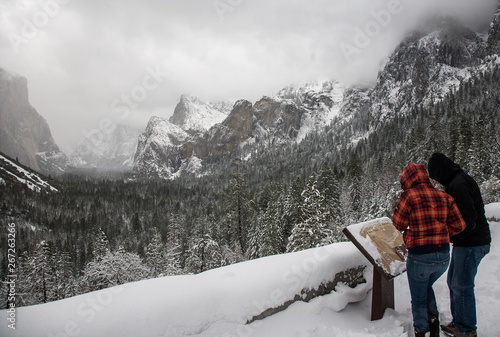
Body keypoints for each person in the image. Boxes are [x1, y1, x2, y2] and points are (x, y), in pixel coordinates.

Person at [393, 163, 465, 337]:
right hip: (442, 257)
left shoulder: (408, 196)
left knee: (418, 298)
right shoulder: (444, 196)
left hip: (420, 257)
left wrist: (412, 233)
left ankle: (421, 330)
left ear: (409, 179)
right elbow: (459, 225)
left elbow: (398, 224)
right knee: (425, 288)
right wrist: (441, 234)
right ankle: (434, 324)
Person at [428, 153, 491, 337]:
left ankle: (466, 329)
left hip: (471, 244)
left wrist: (445, 234)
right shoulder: (458, 181)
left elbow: (467, 221)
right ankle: (460, 323)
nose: (437, 181)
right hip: (468, 243)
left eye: (436, 176)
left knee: (461, 285)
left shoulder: (458, 185)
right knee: (454, 282)